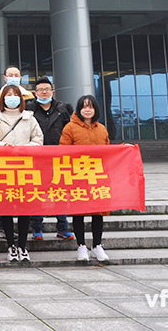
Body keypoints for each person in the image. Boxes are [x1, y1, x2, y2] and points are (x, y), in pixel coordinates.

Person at [0, 85, 43, 265]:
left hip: (25, 169)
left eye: (15, 95)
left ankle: (23, 246)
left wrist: (23, 149)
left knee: (25, 209)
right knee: (6, 208)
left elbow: (38, 139)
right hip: (2, 169)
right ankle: (11, 245)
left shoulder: (29, 118)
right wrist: (4, 147)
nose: (12, 98)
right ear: (2, 99)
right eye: (8, 95)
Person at [60, 94, 111, 263]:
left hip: (97, 176)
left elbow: (108, 151)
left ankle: (97, 245)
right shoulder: (70, 128)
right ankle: (81, 245)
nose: (87, 110)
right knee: (78, 212)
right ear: (79, 109)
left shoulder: (102, 128)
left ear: (95, 109)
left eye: (90, 106)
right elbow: (63, 151)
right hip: (78, 176)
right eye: (84, 106)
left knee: (98, 212)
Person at [27, 77, 75, 241]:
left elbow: (70, 130)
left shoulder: (63, 109)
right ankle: (37, 228)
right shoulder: (29, 110)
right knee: (36, 193)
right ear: (35, 93)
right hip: (36, 158)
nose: (44, 92)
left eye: (47, 89)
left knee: (59, 193)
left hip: (59, 159)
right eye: (40, 90)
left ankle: (62, 227)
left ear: (52, 91)